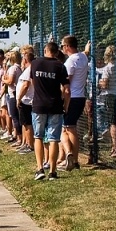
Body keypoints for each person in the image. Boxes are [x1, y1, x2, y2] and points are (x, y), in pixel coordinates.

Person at [30, 41, 69, 180]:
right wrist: (66, 105)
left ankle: (40, 168)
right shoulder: (60, 66)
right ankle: (52, 171)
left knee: (38, 137)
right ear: (57, 52)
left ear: (45, 50)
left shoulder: (35, 63)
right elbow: (67, 89)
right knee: (53, 139)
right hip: (55, 106)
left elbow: (33, 82)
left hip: (39, 105)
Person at [61, 35, 90, 170]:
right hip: (80, 97)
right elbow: (85, 53)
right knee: (67, 128)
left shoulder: (70, 62)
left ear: (67, 46)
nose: (62, 48)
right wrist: (87, 49)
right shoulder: (83, 57)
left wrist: (63, 101)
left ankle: (73, 157)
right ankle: (71, 157)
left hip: (71, 98)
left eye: (62, 46)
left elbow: (66, 83)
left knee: (69, 128)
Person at [97, 46, 116, 156]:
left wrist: (100, 83)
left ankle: (115, 147)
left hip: (111, 96)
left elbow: (105, 85)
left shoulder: (108, 67)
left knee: (113, 122)